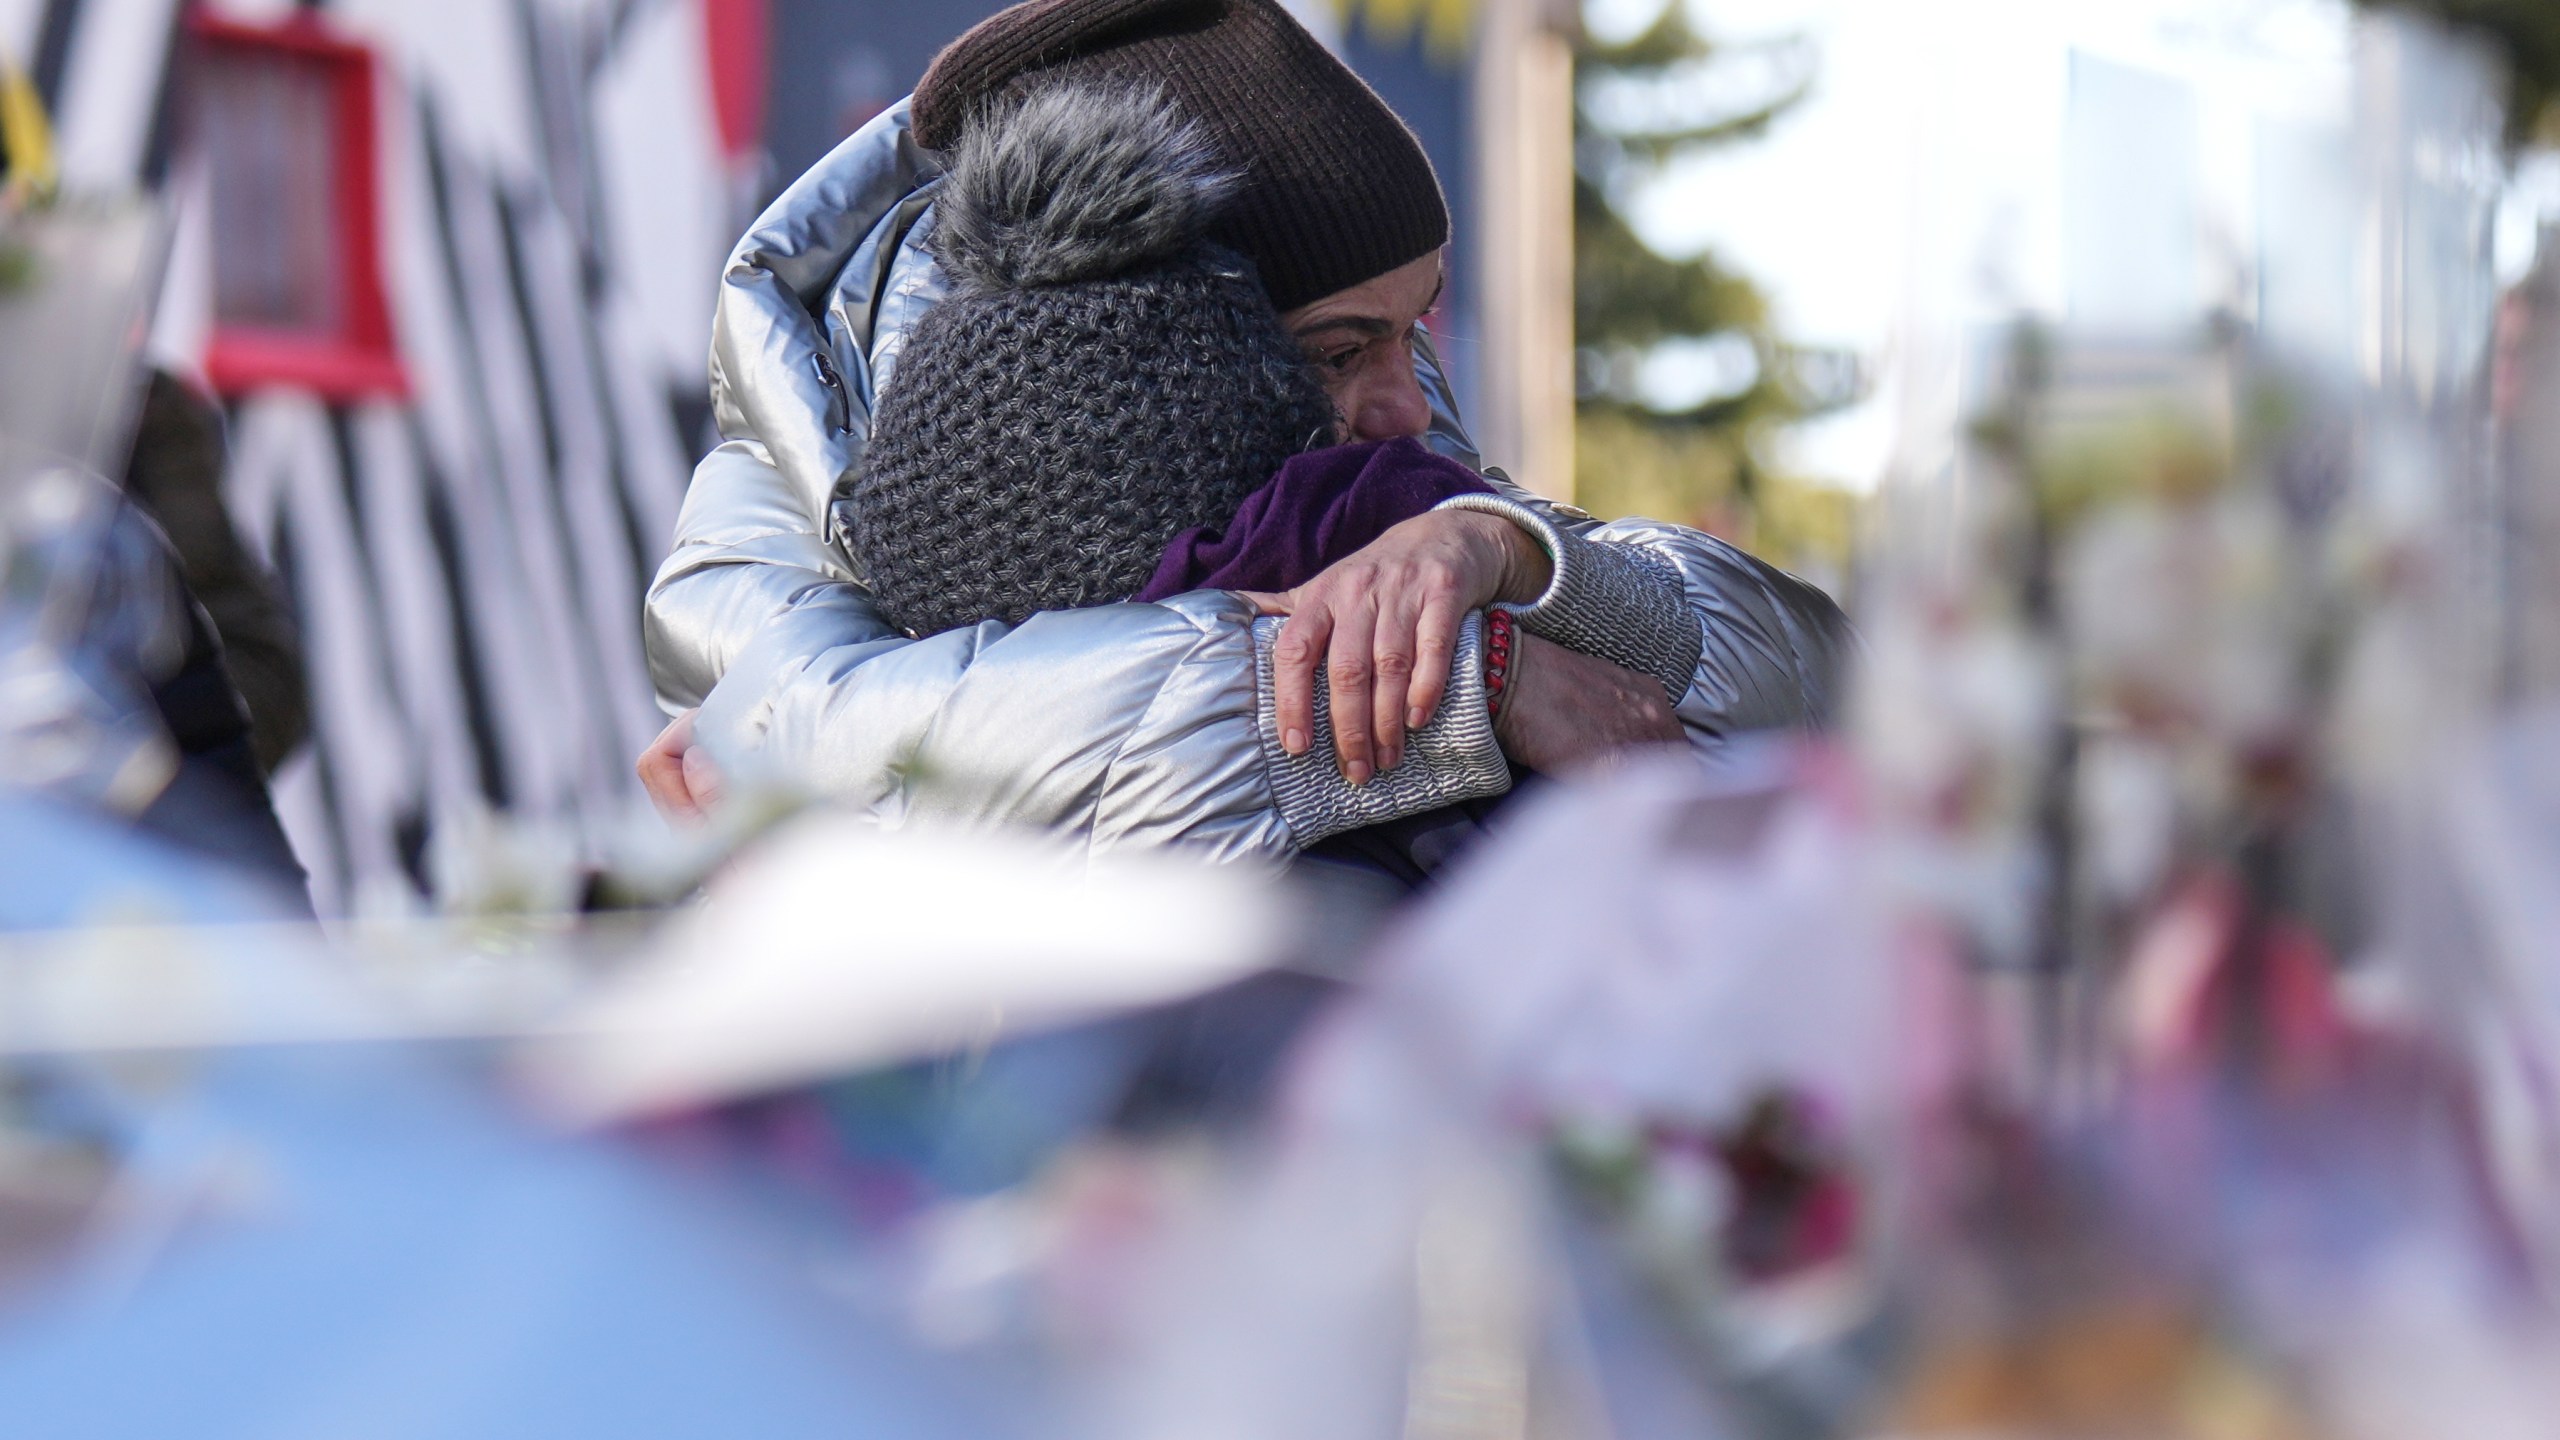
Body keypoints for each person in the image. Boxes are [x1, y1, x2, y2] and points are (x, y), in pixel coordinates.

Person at [640, 0, 1849, 861]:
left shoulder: (1341, 450)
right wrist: (1452, 688)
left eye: (1414, 330)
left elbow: (1799, 680)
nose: (1410, 404)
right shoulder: (806, 440)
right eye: (1342, 350)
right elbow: (817, 738)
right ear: (1164, 342)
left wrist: (1505, 556)